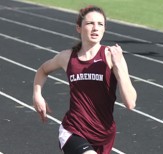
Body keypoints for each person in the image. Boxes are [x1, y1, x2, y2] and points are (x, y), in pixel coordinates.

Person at [32, 6, 137, 154]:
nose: (95, 28)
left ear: (104, 29)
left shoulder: (112, 57)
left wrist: (119, 66)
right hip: (73, 129)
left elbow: (130, 103)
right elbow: (43, 70)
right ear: (79, 28)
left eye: (100, 24)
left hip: (103, 134)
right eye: (90, 23)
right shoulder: (67, 57)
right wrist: (37, 94)